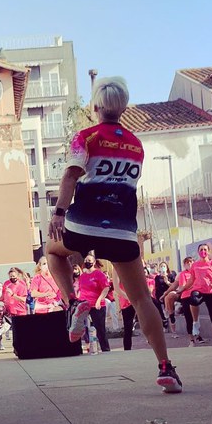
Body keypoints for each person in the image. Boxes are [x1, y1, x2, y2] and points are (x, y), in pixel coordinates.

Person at [46, 76, 182, 393]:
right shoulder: (136, 144)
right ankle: (165, 367)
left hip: (83, 223)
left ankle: (73, 303)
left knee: (51, 251)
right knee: (141, 299)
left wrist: (59, 212)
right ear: (123, 108)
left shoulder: (85, 137)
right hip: (122, 229)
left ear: (95, 107)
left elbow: (70, 176)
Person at [183, 243, 212, 345]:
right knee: (193, 300)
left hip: (211, 292)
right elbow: (191, 280)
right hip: (199, 290)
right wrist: (182, 289)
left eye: (205, 249)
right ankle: (195, 322)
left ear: (208, 252)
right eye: (201, 250)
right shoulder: (195, 265)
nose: (203, 251)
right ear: (198, 252)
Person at [78, 257, 111, 352]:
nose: (87, 262)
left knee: (100, 329)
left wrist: (99, 300)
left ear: (94, 262)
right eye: (85, 260)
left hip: (96, 305)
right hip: (84, 305)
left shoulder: (99, 274)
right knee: (79, 327)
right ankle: (84, 347)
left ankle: (105, 350)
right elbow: (81, 290)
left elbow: (106, 288)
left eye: (89, 260)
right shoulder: (82, 276)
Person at [154, 261, 177, 334]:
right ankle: (165, 323)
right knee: (159, 308)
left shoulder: (171, 275)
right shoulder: (157, 277)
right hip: (160, 295)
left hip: (168, 294)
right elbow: (157, 287)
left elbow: (174, 286)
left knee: (169, 308)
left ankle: (172, 326)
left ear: (167, 267)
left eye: (164, 266)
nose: (162, 267)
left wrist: (167, 282)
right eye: (161, 266)